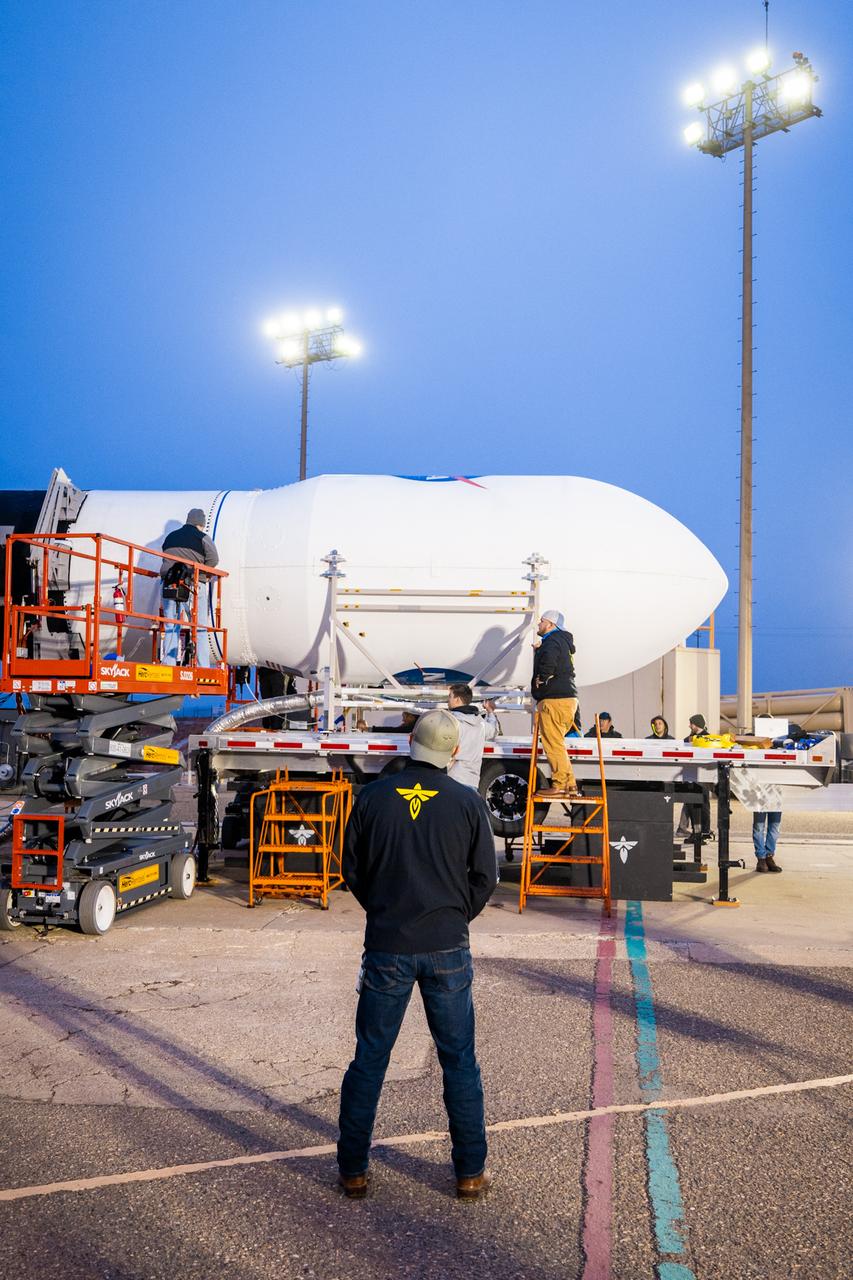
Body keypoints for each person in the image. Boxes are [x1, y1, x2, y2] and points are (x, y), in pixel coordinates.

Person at [337, 709, 497, 1202]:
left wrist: (386, 911)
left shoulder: (372, 797)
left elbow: (353, 869)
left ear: (410, 742)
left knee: (370, 1058)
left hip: (387, 944)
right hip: (447, 946)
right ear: (454, 752)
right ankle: (469, 1173)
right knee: (459, 1061)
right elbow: (484, 878)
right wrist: (451, 918)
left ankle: (353, 1172)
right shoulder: (467, 803)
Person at [159, 508, 218, 666]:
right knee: (199, 627)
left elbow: (165, 554)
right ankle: (202, 666)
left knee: (171, 624)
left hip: (169, 583)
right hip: (193, 584)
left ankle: (169, 663)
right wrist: (203, 574)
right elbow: (214, 559)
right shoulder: (203, 538)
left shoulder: (170, 537)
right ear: (201, 523)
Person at [531, 609, 580, 798]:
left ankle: (558, 784)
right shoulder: (562, 642)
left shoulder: (551, 641)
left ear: (551, 624)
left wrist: (541, 679)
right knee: (558, 743)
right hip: (568, 699)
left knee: (553, 744)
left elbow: (549, 663)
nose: (538, 624)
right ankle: (571, 785)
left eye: (541, 621)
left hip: (555, 700)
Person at [446, 684, 499, 790]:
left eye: (450, 696)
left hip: (453, 780)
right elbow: (493, 731)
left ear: (457, 699)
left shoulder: (451, 722)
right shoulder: (480, 723)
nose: (448, 700)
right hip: (472, 782)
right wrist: (490, 712)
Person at [676, 713, 713, 839]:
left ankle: (705, 830)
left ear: (696, 724)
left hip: (702, 776)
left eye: (691, 723)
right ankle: (696, 830)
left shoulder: (708, 738)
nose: (689, 725)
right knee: (692, 803)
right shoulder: (688, 739)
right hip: (691, 775)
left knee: (703, 803)